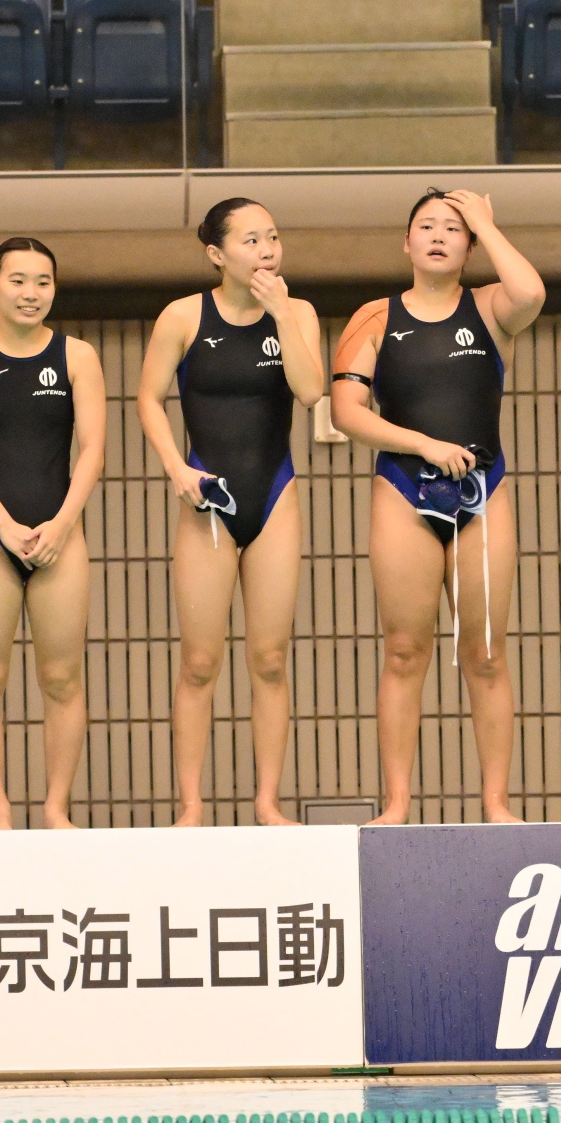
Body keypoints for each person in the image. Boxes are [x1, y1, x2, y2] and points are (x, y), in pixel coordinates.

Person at [329, 190, 546, 825]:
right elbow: (345, 412)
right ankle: (397, 802)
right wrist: (423, 444)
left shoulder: (491, 308)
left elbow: (531, 292)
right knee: (404, 650)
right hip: (403, 490)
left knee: (486, 652)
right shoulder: (375, 317)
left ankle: (496, 803)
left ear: (470, 246)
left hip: (483, 491)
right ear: (406, 242)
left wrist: (486, 222)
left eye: (453, 229)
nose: (438, 236)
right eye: (426, 226)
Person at [137, 199, 326, 828]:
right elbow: (148, 397)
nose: (267, 250)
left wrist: (282, 315)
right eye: (251, 240)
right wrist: (176, 467)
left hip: (274, 497)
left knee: (269, 659)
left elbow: (310, 390)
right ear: (217, 254)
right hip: (208, 502)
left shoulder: (298, 313)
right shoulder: (183, 315)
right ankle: (191, 805)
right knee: (199, 662)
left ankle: (267, 802)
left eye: (273, 237)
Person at [0, 239, 107, 830]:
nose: (31, 293)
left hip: (61, 536)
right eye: (18, 281)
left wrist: (63, 524)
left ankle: (56, 809)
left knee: (62, 678)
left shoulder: (78, 356)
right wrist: (4, 526)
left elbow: (93, 450)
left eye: (43, 282)